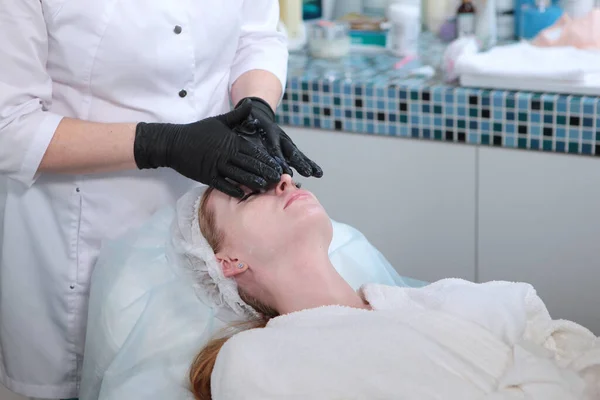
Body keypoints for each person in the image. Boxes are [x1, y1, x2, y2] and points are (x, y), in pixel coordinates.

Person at [0, 1, 322, 398]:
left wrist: (255, 105)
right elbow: (8, 126)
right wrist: (160, 143)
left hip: (209, 227)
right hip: (81, 233)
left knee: (204, 378)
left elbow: (256, 36)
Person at [173, 175, 600, 400]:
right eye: (247, 195)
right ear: (226, 262)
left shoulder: (443, 299)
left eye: (282, 176)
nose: (284, 180)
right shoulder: (249, 360)